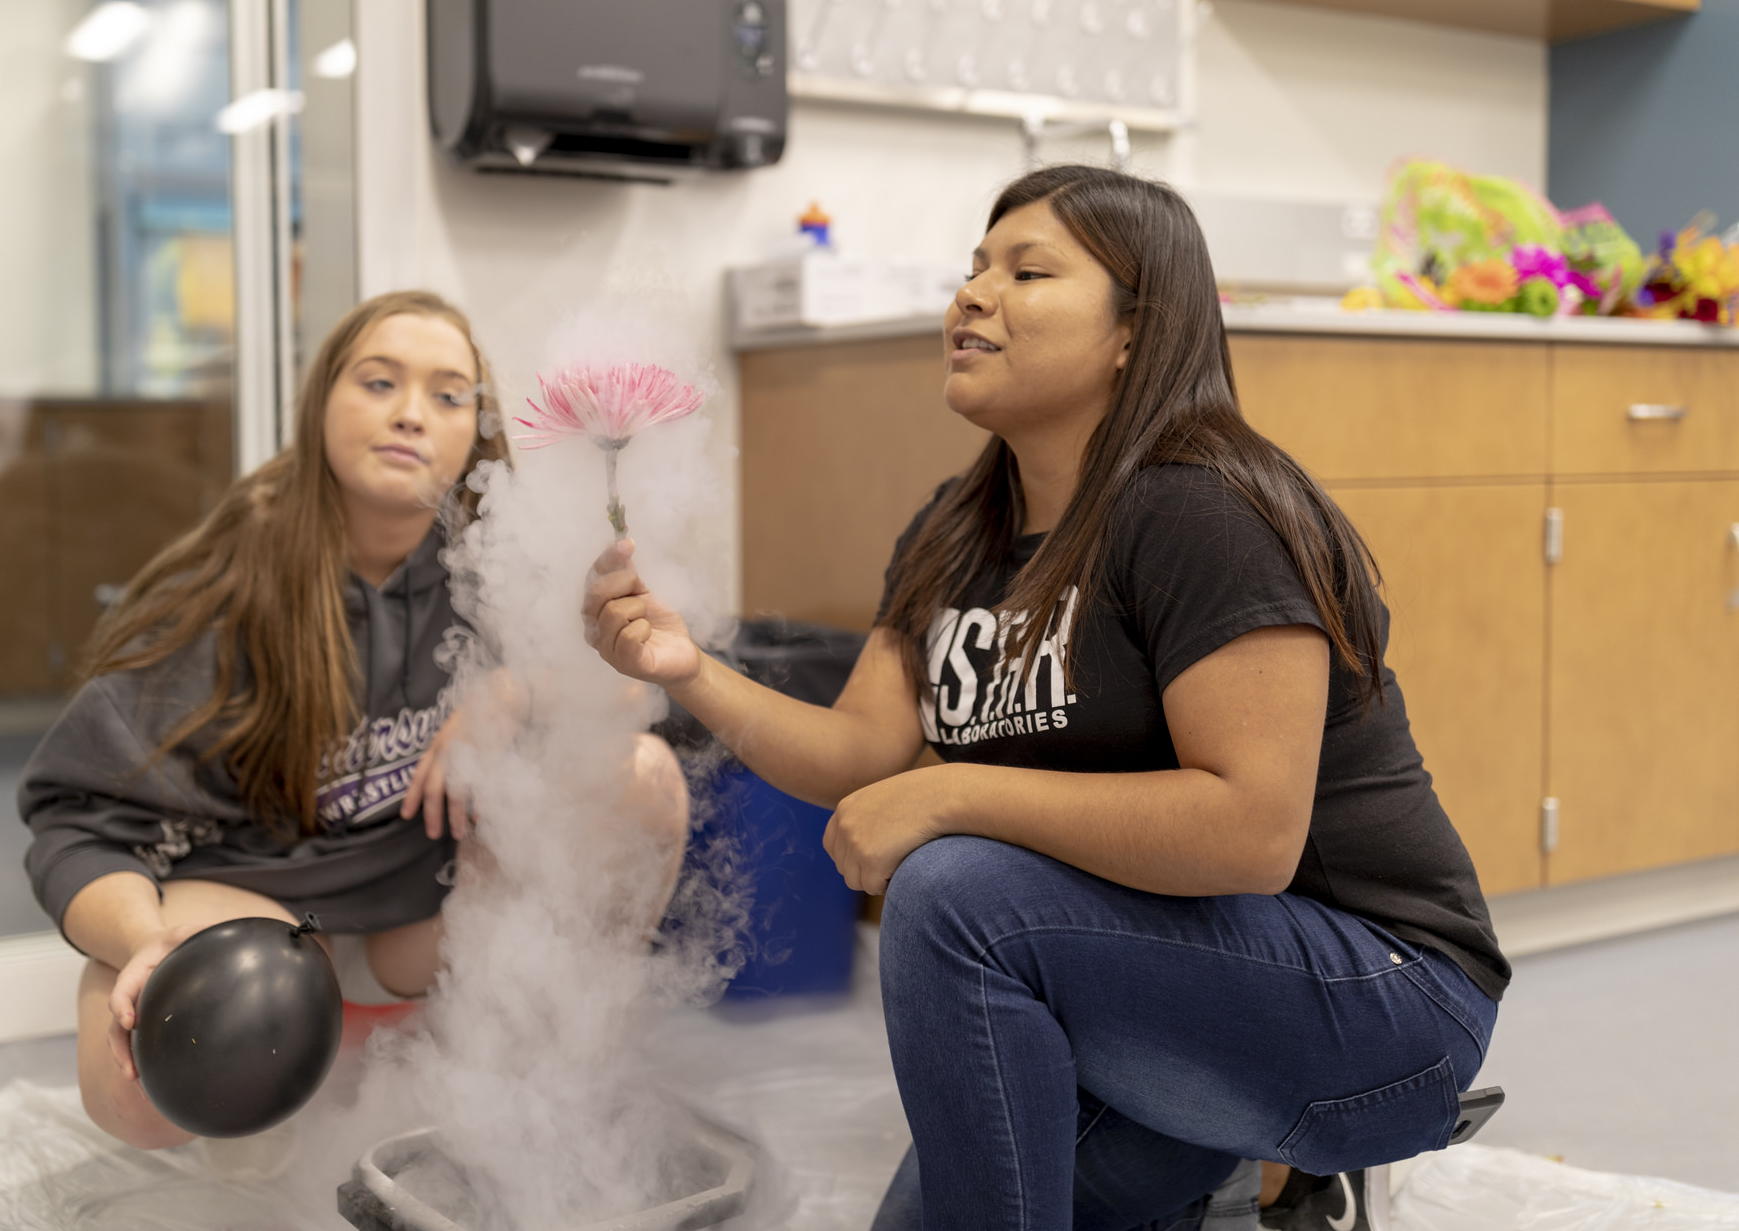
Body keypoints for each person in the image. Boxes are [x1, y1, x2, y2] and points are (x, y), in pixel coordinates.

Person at [583, 167, 1508, 1231]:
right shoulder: (955, 527)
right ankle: (1237, 1174)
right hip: (1159, 980)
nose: (972, 294)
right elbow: (856, 754)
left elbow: (1251, 832)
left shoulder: (1205, 509)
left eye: (1027, 273)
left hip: (1384, 1000)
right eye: (974, 267)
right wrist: (687, 668)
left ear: (1133, 332)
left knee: (952, 893)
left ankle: (1271, 1149)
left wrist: (951, 793)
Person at [19, 290, 688, 1150]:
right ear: (320, 404)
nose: (411, 413)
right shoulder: (223, 595)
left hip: (423, 925)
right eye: (379, 382)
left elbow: (629, 693)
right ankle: (280, 1060)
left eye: (448, 394)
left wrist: (513, 690)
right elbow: (76, 823)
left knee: (641, 779)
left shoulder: (496, 560)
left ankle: (531, 1084)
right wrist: (148, 943)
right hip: (259, 913)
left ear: (476, 434)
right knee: (145, 1099)